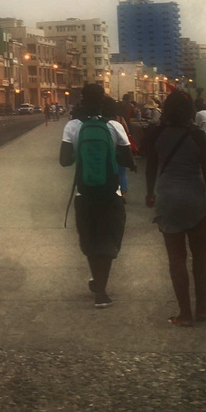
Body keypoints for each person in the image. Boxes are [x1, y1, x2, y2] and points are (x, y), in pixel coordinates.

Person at [146, 89, 206, 326]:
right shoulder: (198, 137)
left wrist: (149, 193)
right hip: (195, 202)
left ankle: (184, 314)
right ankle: (202, 309)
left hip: (167, 201)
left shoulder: (157, 134)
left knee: (176, 259)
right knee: (201, 256)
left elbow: (151, 167)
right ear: (190, 112)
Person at [60, 83, 134, 307]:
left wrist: (80, 153)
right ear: (102, 100)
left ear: (81, 100)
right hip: (110, 192)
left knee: (90, 238)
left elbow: (64, 161)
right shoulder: (113, 125)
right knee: (108, 237)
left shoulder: (72, 126)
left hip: (84, 191)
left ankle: (97, 283)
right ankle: (101, 291)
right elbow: (127, 160)